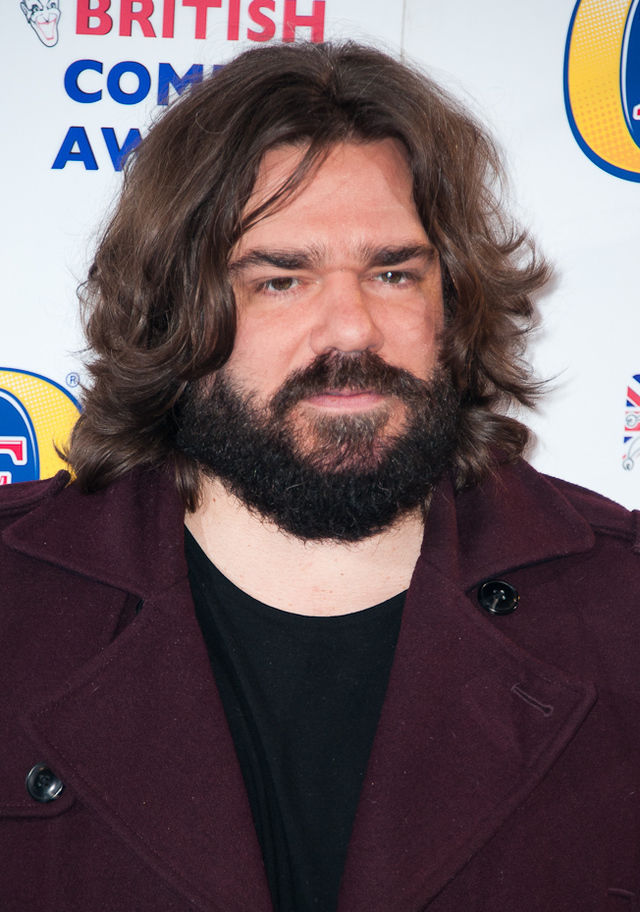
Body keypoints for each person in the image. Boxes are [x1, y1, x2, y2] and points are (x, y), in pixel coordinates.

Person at [1, 40, 638, 912]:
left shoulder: (620, 610)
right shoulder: (16, 603)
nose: (352, 329)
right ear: (178, 309)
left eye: (393, 273)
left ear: (453, 303)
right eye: (281, 281)